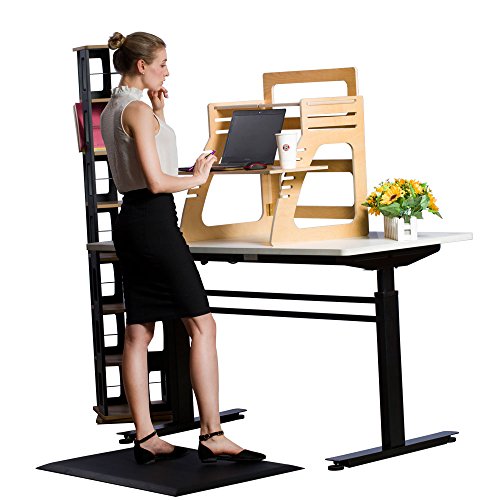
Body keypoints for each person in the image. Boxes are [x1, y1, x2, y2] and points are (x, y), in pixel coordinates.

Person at [100, 31, 265, 465]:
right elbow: (156, 181)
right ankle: (212, 434)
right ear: (141, 66)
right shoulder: (136, 111)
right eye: (162, 63)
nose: (167, 71)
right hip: (154, 223)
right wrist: (197, 178)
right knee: (202, 325)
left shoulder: (115, 108)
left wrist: (160, 112)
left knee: (138, 332)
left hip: (132, 221)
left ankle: (146, 438)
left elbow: (141, 165)